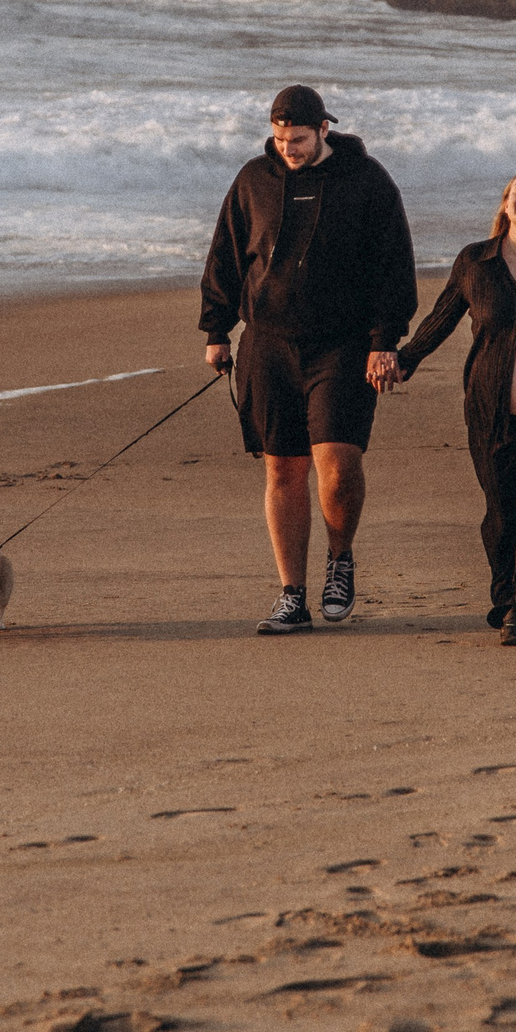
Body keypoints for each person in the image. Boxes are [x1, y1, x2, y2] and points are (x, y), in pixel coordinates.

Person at [201, 85, 416, 634]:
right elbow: (227, 252)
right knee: (282, 468)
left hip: (343, 347)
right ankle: (291, 595)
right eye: (278, 138)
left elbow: (394, 265)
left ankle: (339, 559)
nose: (287, 148)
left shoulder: (367, 182)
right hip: (267, 343)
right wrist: (217, 329)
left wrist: (385, 339)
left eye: (296, 138)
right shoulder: (254, 179)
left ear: (324, 129)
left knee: (338, 469)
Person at [376, 167, 516, 646]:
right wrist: (403, 359)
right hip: (487, 410)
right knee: (500, 514)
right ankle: (508, 592)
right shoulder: (476, 262)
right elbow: (442, 316)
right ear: (505, 204)